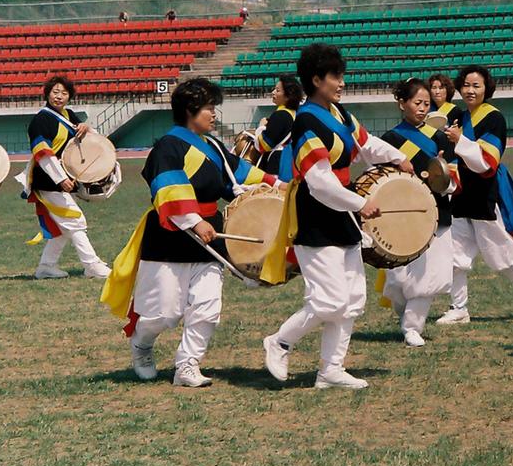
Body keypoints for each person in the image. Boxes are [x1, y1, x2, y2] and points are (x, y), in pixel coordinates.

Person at [100, 78, 277, 387]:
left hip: (210, 237)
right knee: (163, 313)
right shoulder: (168, 146)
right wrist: (195, 222)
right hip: (170, 236)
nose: (213, 115)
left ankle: (187, 366)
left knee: (208, 307)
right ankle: (141, 346)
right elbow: (167, 189)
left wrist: (278, 185)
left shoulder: (213, 147)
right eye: (209, 108)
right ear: (189, 110)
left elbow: (239, 175)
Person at [261, 43, 414, 389]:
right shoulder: (306, 122)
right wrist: (359, 204)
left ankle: (330, 370)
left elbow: (366, 144)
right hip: (316, 214)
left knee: (353, 297)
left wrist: (397, 157)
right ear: (316, 79)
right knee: (329, 299)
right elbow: (318, 181)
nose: (342, 83)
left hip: (342, 211)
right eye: (335, 77)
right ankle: (280, 341)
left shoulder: (339, 113)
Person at [437, 65, 513, 324]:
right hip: (460, 195)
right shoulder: (459, 115)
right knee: (456, 256)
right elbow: (452, 157)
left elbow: (486, 162)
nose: (470, 90)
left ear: (486, 89)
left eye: (476, 86)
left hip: (484, 195)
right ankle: (459, 307)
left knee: (501, 256)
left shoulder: (494, 118)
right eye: (467, 85)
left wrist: (460, 141)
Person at [379, 78, 460, 346]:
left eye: (427, 104)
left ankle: (413, 326)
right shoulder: (390, 140)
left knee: (430, 274)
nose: (423, 108)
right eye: (417, 103)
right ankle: (406, 314)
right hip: (402, 212)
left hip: (437, 210)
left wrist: (442, 175)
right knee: (399, 275)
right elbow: (383, 177)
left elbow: (455, 177)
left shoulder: (440, 137)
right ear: (402, 104)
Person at [24, 75, 112, 280]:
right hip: (47, 180)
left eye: (64, 93)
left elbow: (86, 140)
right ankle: (92, 265)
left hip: (62, 179)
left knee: (63, 227)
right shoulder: (41, 120)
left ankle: (46, 267)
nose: (59, 96)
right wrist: (59, 178)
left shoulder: (68, 115)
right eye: (55, 92)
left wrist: (86, 128)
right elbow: (42, 153)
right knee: (75, 221)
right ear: (47, 94)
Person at [253, 74, 304, 177]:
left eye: (277, 90)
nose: (273, 92)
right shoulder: (296, 114)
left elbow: (262, 146)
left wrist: (261, 127)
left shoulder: (280, 115)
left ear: (288, 96)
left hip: (275, 164)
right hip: (291, 163)